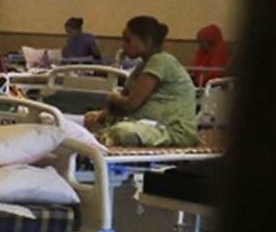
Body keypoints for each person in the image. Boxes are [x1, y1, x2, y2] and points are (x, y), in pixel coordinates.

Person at [84, 16, 200, 147]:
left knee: (121, 131)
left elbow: (130, 103)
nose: (123, 45)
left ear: (147, 41)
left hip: (169, 130)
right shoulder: (142, 67)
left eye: (128, 40)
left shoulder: (161, 61)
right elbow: (124, 95)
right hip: (145, 123)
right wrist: (100, 114)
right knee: (92, 122)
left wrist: (112, 98)